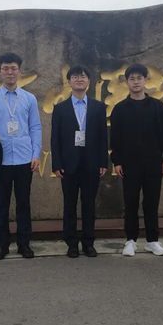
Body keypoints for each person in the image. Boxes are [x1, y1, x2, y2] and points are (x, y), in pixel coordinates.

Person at [0, 52, 42, 260]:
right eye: (5, 68)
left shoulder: (29, 99)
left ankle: (24, 244)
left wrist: (36, 154)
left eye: (13, 68)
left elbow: (35, 127)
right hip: (2, 159)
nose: (10, 72)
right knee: (2, 204)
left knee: (24, 203)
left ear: (19, 71)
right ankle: (2, 245)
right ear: (0, 71)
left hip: (25, 159)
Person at [110, 63, 163, 256]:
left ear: (146, 80)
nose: (136, 82)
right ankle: (130, 240)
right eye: (132, 79)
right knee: (130, 202)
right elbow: (115, 138)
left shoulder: (158, 107)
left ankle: (152, 240)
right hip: (129, 164)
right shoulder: (120, 109)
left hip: (153, 162)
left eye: (139, 78)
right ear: (127, 82)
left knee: (151, 202)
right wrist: (117, 161)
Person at [51, 65, 108, 258]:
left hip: (92, 163)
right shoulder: (60, 109)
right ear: (69, 82)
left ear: (88, 81)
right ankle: (71, 243)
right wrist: (57, 164)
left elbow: (103, 137)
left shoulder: (98, 107)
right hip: (68, 165)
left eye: (83, 76)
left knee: (89, 205)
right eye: (75, 77)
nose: (79, 79)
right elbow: (55, 139)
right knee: (69, 205)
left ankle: (88, 242)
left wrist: (103, 162)